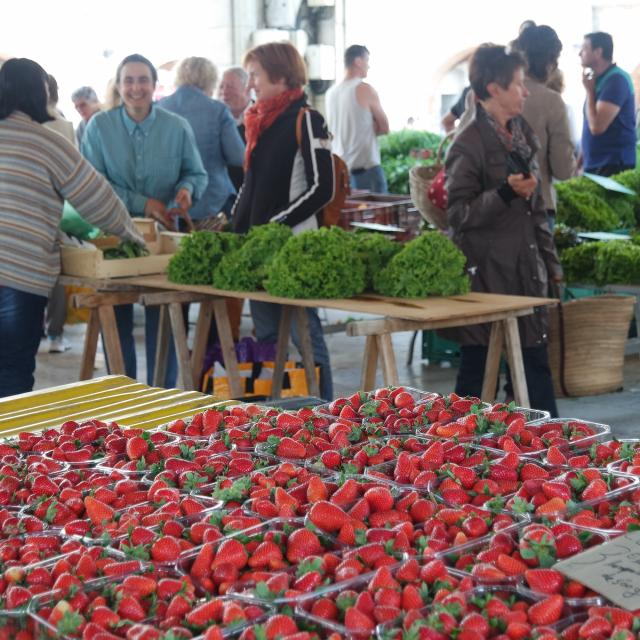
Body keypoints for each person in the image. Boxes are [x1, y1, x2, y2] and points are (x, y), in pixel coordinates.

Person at [0, 58, 144, 398]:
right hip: (20, 277)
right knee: (13, 372)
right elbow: (96, 198)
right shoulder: (48, 143)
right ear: (41, 96)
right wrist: (132, 235)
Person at [445, 44, 562, 416]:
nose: (526, 91)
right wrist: (505, 193)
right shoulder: (468, 142)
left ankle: (551, 459)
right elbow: (458, 215)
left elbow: (537, 207)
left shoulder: (522, 130)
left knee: (536, 374)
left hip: (526, 272)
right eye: (518, 84)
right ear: (493, 89)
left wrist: (550, 261)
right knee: (477, 379)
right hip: (487, 280)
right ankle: (455, 461)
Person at [82, 53, 208, 388]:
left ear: (154, 85)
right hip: (112, 238)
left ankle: (161, 399)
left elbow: (196, 173)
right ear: (119, 85)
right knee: (115, 319)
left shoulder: (177, 127)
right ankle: (122, 398)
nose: (136, 88)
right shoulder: (99, 127)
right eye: (129, 80)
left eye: (142, 80)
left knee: (164, 318)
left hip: (164, 239)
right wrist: (142, 202)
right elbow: (94, 185)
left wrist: (186, 191)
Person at [231, 41, 334, 400]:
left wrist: (276, 225)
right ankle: (278, 420)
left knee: (306, 337)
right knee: (269, 340)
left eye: (255, 75)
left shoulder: (308, 119)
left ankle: (327, 416)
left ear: (279, 74)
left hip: (294, 250)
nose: (251, 85)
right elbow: (251, 186)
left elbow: (324, 188)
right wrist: (235, 228)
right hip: (259, 253)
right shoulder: (258, 122)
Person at [159, 57, 244, 225]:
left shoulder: (158, 108)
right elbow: (238, 157)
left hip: (171, 205)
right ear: (210, 80)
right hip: (212, 202)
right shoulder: (218, 110)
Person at [514, 25, 576, 230]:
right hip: (538, 204)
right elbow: (563, 169)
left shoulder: (495, 92)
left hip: (494, 205)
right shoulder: (551, 101)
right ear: (549, 62)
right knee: (537, 262)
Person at [325, 44, 389, 193]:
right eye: (367, 60)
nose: (369, 65)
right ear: (358, 61)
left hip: (341, 172)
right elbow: (384, 127)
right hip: (366, 170)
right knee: (378, 215)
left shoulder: (330, 93)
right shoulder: (364, 89)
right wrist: (371, 125)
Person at [43, 74, 77, 354]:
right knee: (53, 274)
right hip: (52, 214)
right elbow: (76, 179)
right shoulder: (63, 126)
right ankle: (54, 334)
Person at [579, 31, 637, 176]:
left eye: (585, 49)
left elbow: (597, 126)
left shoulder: (616, 80)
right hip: (595, 163)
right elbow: (588, 123)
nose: (580, 53)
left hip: (613, 164)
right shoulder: (596, 81)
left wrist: (590, 92)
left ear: (598, 52)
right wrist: (580, 159)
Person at [218, 67, 252, 192]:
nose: (224, 92)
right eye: (221, 87)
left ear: (247, 89)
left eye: (230, 87)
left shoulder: (261, 117)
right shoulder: (216, 120)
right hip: (225, 194)